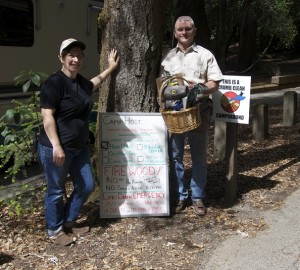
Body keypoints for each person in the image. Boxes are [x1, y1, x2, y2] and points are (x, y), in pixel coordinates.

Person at [37, 38, 119, 245]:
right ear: (62, 58)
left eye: (79, 55)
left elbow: (95, 82)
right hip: (55, 147)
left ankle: (68, 221)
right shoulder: (53, 83)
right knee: (56, 190)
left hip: (79, 147)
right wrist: (56, 146)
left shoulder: (81, 82)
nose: (75, 59)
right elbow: (47, 117)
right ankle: (54, 230)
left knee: (86, 185)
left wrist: (111, 68)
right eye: (71, 55)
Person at [160, 16, 223, 216]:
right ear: (175, 32)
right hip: (175, 113)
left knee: (199, 157)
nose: (184, 32)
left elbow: (215, 82)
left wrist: (199, 89)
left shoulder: (205, 55)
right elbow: (162, 84)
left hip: (198, 111)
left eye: (188, 29)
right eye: (180, 29)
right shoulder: (168, 57)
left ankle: (197, 197)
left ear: (194, 31)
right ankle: (180, 196)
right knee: (175, 156)